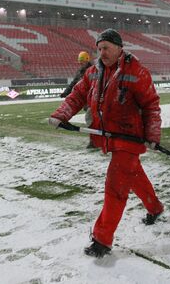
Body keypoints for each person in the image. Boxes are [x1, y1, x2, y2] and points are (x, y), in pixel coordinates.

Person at [48, 28, 163, 258]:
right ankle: (155, 208)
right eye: (99, 48)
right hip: (110, 136)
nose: (102, 52)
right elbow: (78, 95)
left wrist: (152, 135)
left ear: (119, 48)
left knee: (116, 187)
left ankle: (102, 239)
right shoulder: (93, 72)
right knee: (135, 177)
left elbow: (151, 105)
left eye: (106, 48)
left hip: (129, 137)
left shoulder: (136, 72)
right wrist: (61, 115)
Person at [61, 51, 95, 149]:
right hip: (85, 101)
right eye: (79, 62)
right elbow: (73, 83)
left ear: (87, 60)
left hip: (93, 99)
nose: (80, 64)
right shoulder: (79, 72)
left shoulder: (93, 70)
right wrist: (66, 92)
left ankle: (94, 141)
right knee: (93, 120)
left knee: (90, 119)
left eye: (82, 61)